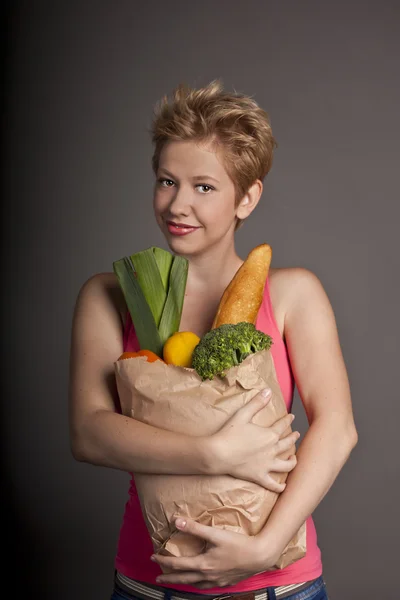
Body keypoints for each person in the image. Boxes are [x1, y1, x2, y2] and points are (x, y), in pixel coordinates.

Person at [68, 80, 358, 600]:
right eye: (166, 181)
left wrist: (265, 547)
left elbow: (337, 429)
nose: (178, 205)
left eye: (204, 187)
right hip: (149, 585)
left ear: (247, 197)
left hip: (277, 588)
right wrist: (215, 453)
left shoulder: (292, 294)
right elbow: (89, 434)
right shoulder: (108, 295)